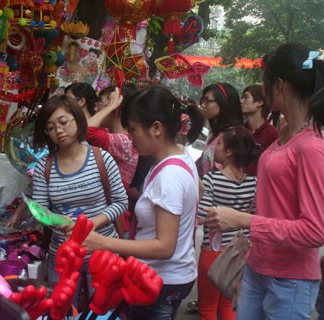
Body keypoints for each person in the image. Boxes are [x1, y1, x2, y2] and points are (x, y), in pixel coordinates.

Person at [205, 42, 324, 320]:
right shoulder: (283, 139)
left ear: (279, 85)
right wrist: (247, 268)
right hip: (258, 271)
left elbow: (315, 231)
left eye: (264, 81)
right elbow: (270, 210)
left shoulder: (311, 147)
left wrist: (241, 220)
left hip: (290, 282)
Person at [83, 85, 204, 320]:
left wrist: (104, 243)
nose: (129, 137)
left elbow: (164, 247)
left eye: (133, 130)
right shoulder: (178, 154)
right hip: (167, 276)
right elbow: (197, 188)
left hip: (160, 281)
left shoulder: (169, 176)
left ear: (156, 128)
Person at [9, 94, 128, 307]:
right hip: (62, 257)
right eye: (51, 128)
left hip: (101, 253)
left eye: (63, 123)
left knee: (102, 312)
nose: (58, 131)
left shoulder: (102, 158)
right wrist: (57, 221)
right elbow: (40, 209)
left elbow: (120, 202)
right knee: (61, 311)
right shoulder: (44, 166)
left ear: (77, 119)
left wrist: (88, 226)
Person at [197, 126, 262, 320]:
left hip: (213, 252)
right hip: (239, 253)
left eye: (219, 144)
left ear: (229, 152)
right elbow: (254, 218)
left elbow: (202, 216)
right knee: (228, 305)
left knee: (207, 309)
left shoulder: (211, 180)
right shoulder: (254, 183)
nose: (214, 147)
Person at [86, 85, 139, 236]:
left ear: (116, 108)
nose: (97, 109)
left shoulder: (123, 142)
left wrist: (111, 106)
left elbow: (86, 131)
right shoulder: (111, 134)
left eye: (100, 103)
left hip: (111, 219)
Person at [196, 83, 243, 178]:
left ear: (224, 103)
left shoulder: (232, 136)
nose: (203, 105)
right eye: (202, 101)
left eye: (207, 101)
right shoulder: (214, 132)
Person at [241, 84, 278, 175]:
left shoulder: (273, 135)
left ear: (260, 102)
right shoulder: (238, 131)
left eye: (246, 97)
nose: (241, 101)